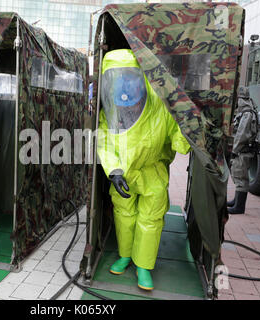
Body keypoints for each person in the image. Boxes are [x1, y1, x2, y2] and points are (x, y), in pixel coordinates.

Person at [97, 49, 191, 290]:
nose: (124, 86)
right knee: (124, 216)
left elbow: (180, 142)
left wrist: (187, 123)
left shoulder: (161, 104)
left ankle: (144, 266)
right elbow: (104, 140)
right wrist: (114, 170)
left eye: (129, 77)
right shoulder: (109, 109)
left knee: (150, 221)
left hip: (153, 174)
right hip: (123, 174)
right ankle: (125, 255)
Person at [227, 86, 257, 214]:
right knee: (238, 174)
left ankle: (239, 207)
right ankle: (236, 201)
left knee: (241, 176)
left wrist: (235, 150)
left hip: (243, 150)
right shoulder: (245, 112)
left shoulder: (247, 113)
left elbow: (241, 134)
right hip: (243, 149)